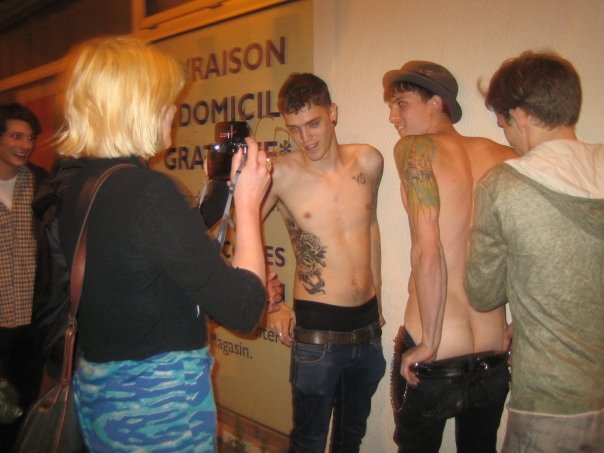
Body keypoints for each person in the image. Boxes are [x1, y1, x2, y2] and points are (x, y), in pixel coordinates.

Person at [53, 36, 272, 451]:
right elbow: (245, 309)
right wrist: (247, 203)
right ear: (138, 107)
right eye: (166, 101)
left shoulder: (81, 185)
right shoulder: (147, 192)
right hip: (159, 410)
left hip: (102, 395)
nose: (174, 111)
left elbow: (147, 261)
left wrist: (219, 190)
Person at [465, 51, 604, 452]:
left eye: (503, 124)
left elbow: (483, 293)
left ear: (520, 116)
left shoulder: (503, 184)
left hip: (549, 403)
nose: (507, 137)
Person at [382, 61, 517, 452]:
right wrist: (519, 324)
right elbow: (524, 251)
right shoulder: (506, 155)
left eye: (402, 104)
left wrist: (429, 342)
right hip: (493, 354)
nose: (393, 117)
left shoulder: (414, 149)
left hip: (436, 353)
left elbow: (429, 249)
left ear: (436, 102)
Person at [263, 72, 385, 452]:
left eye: (313, 123)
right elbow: (241, 232)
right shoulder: (280, 173)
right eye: (295, 128)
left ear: (332, 112)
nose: (305, 138)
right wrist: (272, 303)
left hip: (367, 328)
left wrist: (379, 297)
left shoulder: (368, 161)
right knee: (309, 442)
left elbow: (371, 227)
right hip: (317, 332)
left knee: (351, 439)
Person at [0, 103, 45, 451]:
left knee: (26, 405)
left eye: (29, 138)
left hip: (32, 322)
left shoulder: (41, 184)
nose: (25, 145)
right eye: (16, 136)